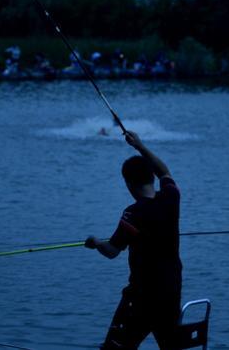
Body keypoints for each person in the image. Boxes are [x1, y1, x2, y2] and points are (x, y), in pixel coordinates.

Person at [85, 131, 183, 350]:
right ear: (151, 177)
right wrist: (139, 146)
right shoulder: (171, 198)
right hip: (171, 294)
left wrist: (96, 242)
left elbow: (111, 251)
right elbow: (164, 171)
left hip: (141, 299)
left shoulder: (133, 214)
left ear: (128, 184)